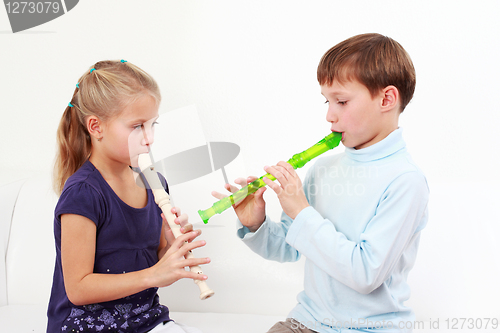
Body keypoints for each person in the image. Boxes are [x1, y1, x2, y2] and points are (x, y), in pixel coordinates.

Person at [214, 33, 429, 332]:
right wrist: (257, 225)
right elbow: (290, 247)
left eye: (341, 101)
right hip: (306, 322)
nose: (330, 115)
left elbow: (366, 274)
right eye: (327, 101)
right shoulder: (324, 167)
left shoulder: (406, 182)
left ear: (386, 99)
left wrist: (301, 211)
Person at [48, 60, 209, 333]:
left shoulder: (153, 182)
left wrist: (171, 245)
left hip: (144, 320)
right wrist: (152, 276)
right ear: (96, 127)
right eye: (137, 126)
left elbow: (156, 256)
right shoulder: (83, 193)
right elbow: (77, 288)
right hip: (86, 326)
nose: (149, 138)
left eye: (152, 124)